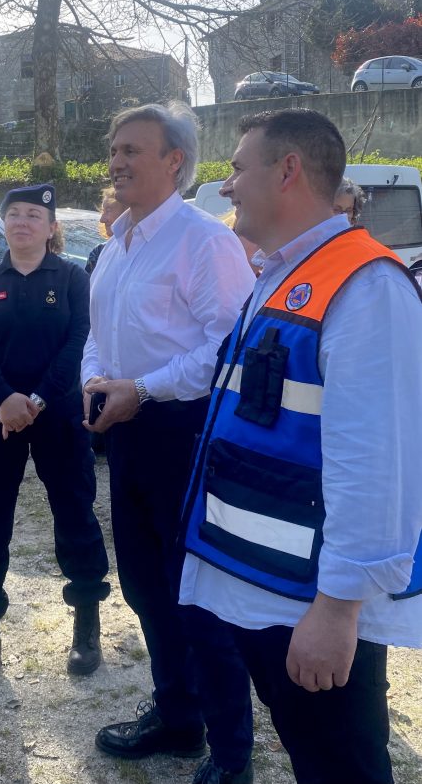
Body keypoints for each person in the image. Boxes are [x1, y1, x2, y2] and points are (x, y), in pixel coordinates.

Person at [182, 108, 422, 784]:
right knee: (316, 757)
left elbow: (376, 462)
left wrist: (338, 610)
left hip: (311, 602)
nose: (226, 185)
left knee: (342, 765)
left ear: (287, 170)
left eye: (237, 168)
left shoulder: (366, 285)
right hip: (273, 587)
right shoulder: (283, 271)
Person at [81, 102, 256, 780]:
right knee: (146, 586)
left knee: (200, 597)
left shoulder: (203, 240)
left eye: (132, 150)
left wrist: (143, 388)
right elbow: (97, 331)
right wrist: (94, 380)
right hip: (127, 431)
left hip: (185, 433)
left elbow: (228, 349)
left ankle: (232, 753)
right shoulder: (117, 243)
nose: (116, 161)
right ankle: (178, 716)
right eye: (113, 149)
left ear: (174, 160)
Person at [0, 183, 110, 679]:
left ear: (50, 228)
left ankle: (86, 619)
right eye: (14, 215)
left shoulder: (71, 278)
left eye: (32, 215)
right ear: (4, 225)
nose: (22, 222)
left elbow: (78, 342)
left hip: (59, 414)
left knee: (74, 513)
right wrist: (5, 398)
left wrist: (37, 400)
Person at [85, 186, 128, 274]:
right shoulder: (98, 253)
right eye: (102, 211)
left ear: (127, 212)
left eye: (108, 210)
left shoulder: (145, 251)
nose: (102, 220)